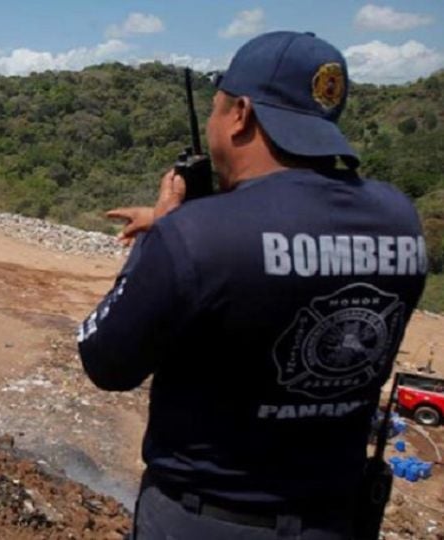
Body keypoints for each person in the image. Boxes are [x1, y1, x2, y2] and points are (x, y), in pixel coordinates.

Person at [77, 31, 427, 540]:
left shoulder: (195, 235)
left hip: (206, 520)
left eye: (218, 107)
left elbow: (105, 361)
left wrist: (164, 235)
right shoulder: (400, 218)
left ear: (240, 114)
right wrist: (181, 227)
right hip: (336, 518)